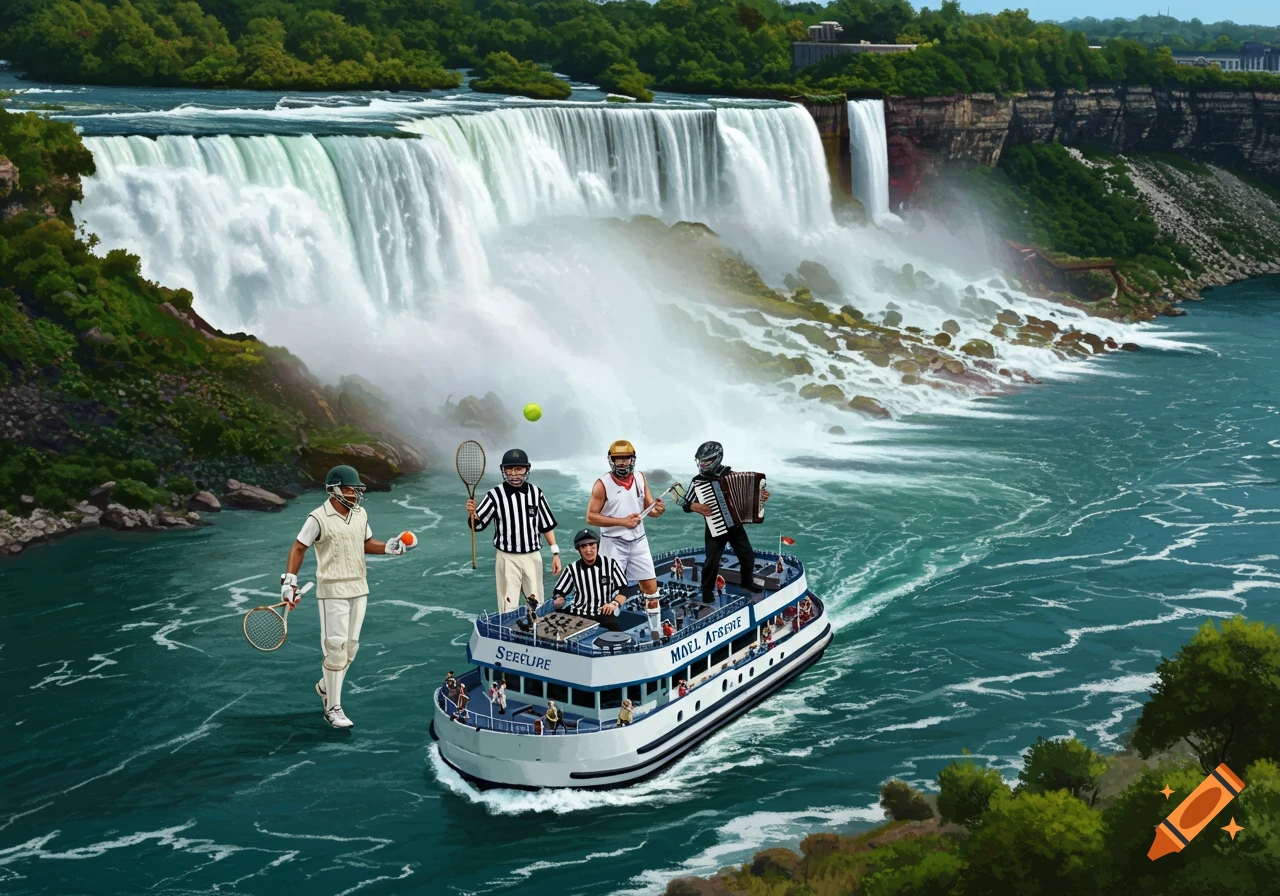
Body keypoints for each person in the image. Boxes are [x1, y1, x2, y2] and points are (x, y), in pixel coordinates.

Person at [282, 464, 413, 730]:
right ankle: (333, 708)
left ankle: (323, 686)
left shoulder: (360, 513)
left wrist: (389, 547)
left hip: (359, 587)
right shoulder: (317, 518)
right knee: (335, 647)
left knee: (350, 647)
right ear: (333, 490)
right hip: (332, 590)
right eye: (349, 489)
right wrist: (289, 582)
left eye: (356, 489)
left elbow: (365, 543)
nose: (354, 494)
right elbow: (298, 547)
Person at [587, 440, 666, 642]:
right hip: (612, 543)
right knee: (606, 594)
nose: (622, 464)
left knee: (651, 590)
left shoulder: (640, 478)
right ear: (611, 461)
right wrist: (622, 522)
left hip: (638, 540)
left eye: (625, 459)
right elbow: (591, 517)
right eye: (617, 460)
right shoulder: (602, 484)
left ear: (632, 459)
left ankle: (656, 635)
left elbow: (650, 509)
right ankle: (605, 637)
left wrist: (658, 510)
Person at [466, 448, 561, 614]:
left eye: (519, 469)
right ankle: (507, 635)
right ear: (504, 471)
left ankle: (535, 633)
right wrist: (473, 514)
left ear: (526, 470)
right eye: (509, 470)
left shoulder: (536, 493)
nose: (514, 474)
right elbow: (478, 524)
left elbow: (546, 525)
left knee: (536, 603)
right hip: (507, 558)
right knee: (508, 604)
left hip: (532, 556)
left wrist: (555, 553)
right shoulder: (494, 495)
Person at [680, 441, 769, 604]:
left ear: (717, 458)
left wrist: (761, 498)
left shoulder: (731, 474)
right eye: (701, 461)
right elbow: (685, 504)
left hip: (735, 526)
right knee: (711, 560)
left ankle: (747, 583)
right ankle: (706, 590)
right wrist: (696, 506)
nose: (703, 464)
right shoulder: (697, 481)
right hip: (714, 526)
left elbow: (750, 498)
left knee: (747, 555)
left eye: (706, 460)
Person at [551, 529, 629, 633]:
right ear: (579, 549)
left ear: (598, 546)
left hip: (604, 613)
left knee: (617, 637)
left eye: (592, 545)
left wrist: (614, 604)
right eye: (583, 546)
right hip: (578, 613)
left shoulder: (610, 564)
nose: (588, 550)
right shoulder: (572, 569)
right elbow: (558, 592)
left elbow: (624, 590)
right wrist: (558, 600)